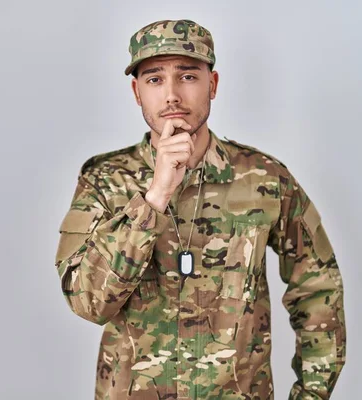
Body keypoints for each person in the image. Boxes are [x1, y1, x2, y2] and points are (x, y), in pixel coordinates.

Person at [54, 18, 346, 400]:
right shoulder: (106, 180)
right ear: (136, 92)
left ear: (213, 84)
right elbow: (87, 301)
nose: (172, 95)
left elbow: (318, 287)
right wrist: (155, 196)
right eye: (154, 79)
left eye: (188, 76)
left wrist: (312, 394)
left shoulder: (264, 177)